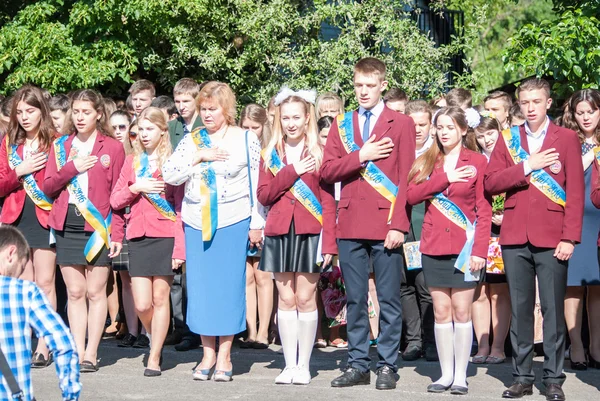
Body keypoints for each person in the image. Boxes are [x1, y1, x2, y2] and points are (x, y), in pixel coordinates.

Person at [484, 78, 584, 401]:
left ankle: (553, 378)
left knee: (553, 311)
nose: (530, 108)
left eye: (536, 102)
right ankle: (522, 376)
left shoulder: (566, 138)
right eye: (525, 103)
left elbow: (576, 194)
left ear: (548, 103)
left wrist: (570, 237)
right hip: (514, 237)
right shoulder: (508, 139)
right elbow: (491, 183)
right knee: (520, 309)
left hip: (553, 236)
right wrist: (528, 165)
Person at [322, 57, 416, 390]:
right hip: (349, 223)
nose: (363, 91)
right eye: (358, 85)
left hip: (385, 223)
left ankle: (388, 364)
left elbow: (407, 178)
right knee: (355, 299)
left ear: (382, 86)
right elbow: (327, 171)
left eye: (370, 85)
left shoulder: (401, 123)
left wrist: (399, 224)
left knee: (389, 298)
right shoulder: (341, 124)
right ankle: (358, 364)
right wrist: (361, 156)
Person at [162, 81, 264, 382]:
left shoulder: (245, 138)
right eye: (203, 109)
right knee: (203, 290)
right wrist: (198, 157)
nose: (207, 115)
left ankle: (225, 356)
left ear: (226, 110)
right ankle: (206, 354)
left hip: (233, 222)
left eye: (212, 109)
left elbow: (255, 183)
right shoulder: (193, 139)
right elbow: (169, 173)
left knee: (229, 288)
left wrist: (257, 221)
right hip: (197, 222)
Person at [407, 107, 491, 395]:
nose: (444, 132)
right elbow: (412, 195)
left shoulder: (478, 161)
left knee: (461, 311)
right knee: (441, 311)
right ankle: (444, 374)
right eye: (440, 127)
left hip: (466, 249)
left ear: (463, 130)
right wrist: (445, 178)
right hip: (433, 246)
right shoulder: (428, 160)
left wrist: (480, 250)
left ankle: (460, 375)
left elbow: (484, 209)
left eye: (450, 127)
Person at [43, 89, 126, 373]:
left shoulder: (112, 148)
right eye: (75, 112)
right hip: (66, 225)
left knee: (95, 291)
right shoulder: (60, 146)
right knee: (75, 292)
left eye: (86, 112)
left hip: (98, 228)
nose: (79, 117)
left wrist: (117, 233)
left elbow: (118, 193)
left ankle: (92, 352)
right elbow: (48, 186)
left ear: (98, 114)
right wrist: (72, 168)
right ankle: (77, 350)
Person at [257, 88, 336, 384]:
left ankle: (304, 365)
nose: (291, 123)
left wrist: (329, 242)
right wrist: (291, 172)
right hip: (279, 231)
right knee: (285, 298)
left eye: (296, 118)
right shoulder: (271, 154)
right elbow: (264, 195)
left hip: (309, 232)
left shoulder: (319, 152)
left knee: (305, 297)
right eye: (286, 117)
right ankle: (288, 364)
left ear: (306, 120)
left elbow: (328, 201)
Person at [111, 107, 185, 376]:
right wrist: (135, 187)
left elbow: (179, 209)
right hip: (139, 237)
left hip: (166, 236)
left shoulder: (174, 163)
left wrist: (180, 248)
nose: (143, 135)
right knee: (142, 304)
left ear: (162, 131)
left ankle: (155, 355)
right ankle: (157, 336)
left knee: (160, 297)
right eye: (140, 129)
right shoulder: (132, 162)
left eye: (149, 129)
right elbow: (115, 200)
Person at [0, 84, 58, 369]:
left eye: (30, 110)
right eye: (19, 112)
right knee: (22, 284)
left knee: (45, 282)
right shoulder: (10, 143)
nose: (24, 117)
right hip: (17, 217)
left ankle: (43, 346)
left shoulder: (57, 141)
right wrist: (19, 171)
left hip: (46, 216)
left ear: (42, 111)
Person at [0, 226, 81, 401]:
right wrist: (70, 394)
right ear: (11, 253)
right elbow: (62, 343)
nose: (17, 275)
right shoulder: (24, 291)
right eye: (20, 268)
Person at [562, 89, 600, 370]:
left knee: (597, 287)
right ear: (573, 115)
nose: (586, 117)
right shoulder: (568, 142)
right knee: (572, 286)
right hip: (575, 221)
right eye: (581, 112)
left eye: (592, 111)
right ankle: (576, 346)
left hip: (598, 221)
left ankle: (596, 346)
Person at [165, 78, 203, 351]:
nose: (181, 107)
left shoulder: (204, 127)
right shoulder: (173, 127)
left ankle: (196, 330)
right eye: (177, 102)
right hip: (175, 200)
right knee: (179, 273)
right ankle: (182, 327)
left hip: (200, 201)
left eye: (186, 101)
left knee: (195, 274)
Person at [471, 112, 511, 365]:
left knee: (499, 290)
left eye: (490, 134)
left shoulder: (510, 157)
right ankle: (482, 345)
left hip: (503, 230)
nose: (486, 140)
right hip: (475, 232)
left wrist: (506, 215)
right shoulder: (474, 160)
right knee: (478, 290)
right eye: (481, 136)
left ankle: (498, 346)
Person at [401, 100, 436, 362]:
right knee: (404, 286)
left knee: (427, 286)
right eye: (412, 124)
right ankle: (413, 341)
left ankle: (431, 342)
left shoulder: (438, 153)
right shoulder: (396, 151)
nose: (417, 130)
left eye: (422, 124)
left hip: (428, 228)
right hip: (400, 229)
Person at [239, 103, 273, 349]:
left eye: (255, 127)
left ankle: (263, 331)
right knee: (247, 277)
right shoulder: (237, 150)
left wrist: (258, 223)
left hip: (264, 217)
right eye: (245, 127)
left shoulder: (269, 152)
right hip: (240, 216)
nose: (251, 132)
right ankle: (250, 330)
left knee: (262, 275)